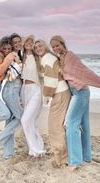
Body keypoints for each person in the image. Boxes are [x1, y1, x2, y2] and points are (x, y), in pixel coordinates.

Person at [50, 35, 100, 171]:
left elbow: (87, 73)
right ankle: (86, 156)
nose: (55, 48)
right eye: (53, 46)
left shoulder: (71, 56)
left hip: (81, 92)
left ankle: (75, 161)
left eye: (57, 45)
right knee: (83, 124)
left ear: (63, 44)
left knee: (70, 124)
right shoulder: (61, 59)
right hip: (77, 92)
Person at [34, 39, 71, 168]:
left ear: (45, 46)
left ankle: (61, 158)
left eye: (40, 45)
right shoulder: (49, 57)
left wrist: (45, 98)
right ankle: (64, 156)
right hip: (63, 93)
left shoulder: (46, 58)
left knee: (54, 128)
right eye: (35, 47)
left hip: (59, 94)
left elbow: (51, 80)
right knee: (59, 126)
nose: (38, 48)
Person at [0, 33, 23, 159]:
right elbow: (11, 76)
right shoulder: (13, 56)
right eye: (14, 43)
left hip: (11, 91)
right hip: (10, 91)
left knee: (10, 120)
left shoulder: (18, 55)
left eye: (18, 41)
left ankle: (8, 153)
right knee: (21, 118)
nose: (17, 44)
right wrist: (19, 64)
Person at [20, 35, 45, 158]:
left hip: (35, 89)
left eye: (31, 42)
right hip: (24, 90)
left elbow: (46, 71)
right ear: (24, 44)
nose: (29, 43)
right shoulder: (21, 57)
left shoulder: (37, 57)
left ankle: (36, 150)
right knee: (32, 122)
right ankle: (36, 149)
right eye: (27, 42)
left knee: (26, 120)